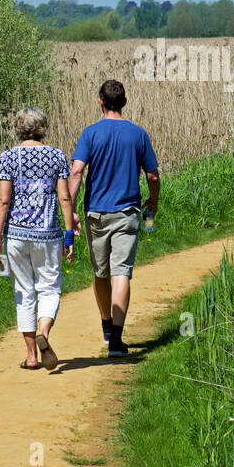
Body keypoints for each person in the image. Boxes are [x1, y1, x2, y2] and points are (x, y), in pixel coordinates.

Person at [69, 80, 160, 357]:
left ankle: (107, 327)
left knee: (101, 272)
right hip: (128, 213)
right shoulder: (138, 134)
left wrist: (70, 210)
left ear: (100, 102)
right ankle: (118, 342)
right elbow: (153, 175)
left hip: (96, 213)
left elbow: (76, 172)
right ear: (125, 102)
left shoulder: (90, 133)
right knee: (122, 271)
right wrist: (153, 201)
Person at [0, 106, 77, 370]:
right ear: (43, 128)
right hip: (48, 234)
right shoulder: (57, 156)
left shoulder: (8, 157)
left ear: (18, 128)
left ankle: (31, 357)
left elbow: (3, 200)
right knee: (49, 287)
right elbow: (64, 197)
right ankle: (45, 332)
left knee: (24, 292)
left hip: (16, 235)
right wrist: (68, 234)